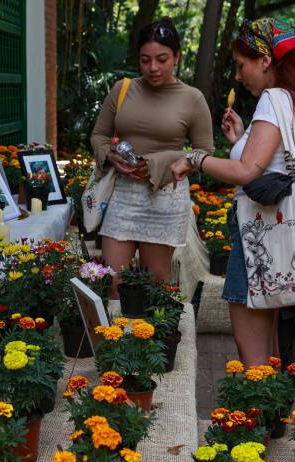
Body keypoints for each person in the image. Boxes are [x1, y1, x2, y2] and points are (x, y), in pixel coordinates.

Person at [171, 18, 295, 366]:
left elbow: (246, 172)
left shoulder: (273, 98)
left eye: (242, 66)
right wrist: (242, 138)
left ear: (265, 61)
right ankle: (273, 420)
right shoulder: (292, 99)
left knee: (255, 360)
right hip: (282, 241)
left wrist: (193, 158)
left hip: (260, 237)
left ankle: (257, 420)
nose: (239, 76)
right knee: (275, 356)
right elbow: (267, 163)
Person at [90, 17, 214, 297]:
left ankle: (147, 338)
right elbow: (98, 136)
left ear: (177, 57)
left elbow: (204, 152)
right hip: (123, 196)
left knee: (154, 284)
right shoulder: (122, 90)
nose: (153, 67)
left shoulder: (192, 99)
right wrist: (111, 155)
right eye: (145, 60)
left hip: (165, 198)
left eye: (162, 59)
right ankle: (116, 338)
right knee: (112, 281)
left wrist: (164, 161)